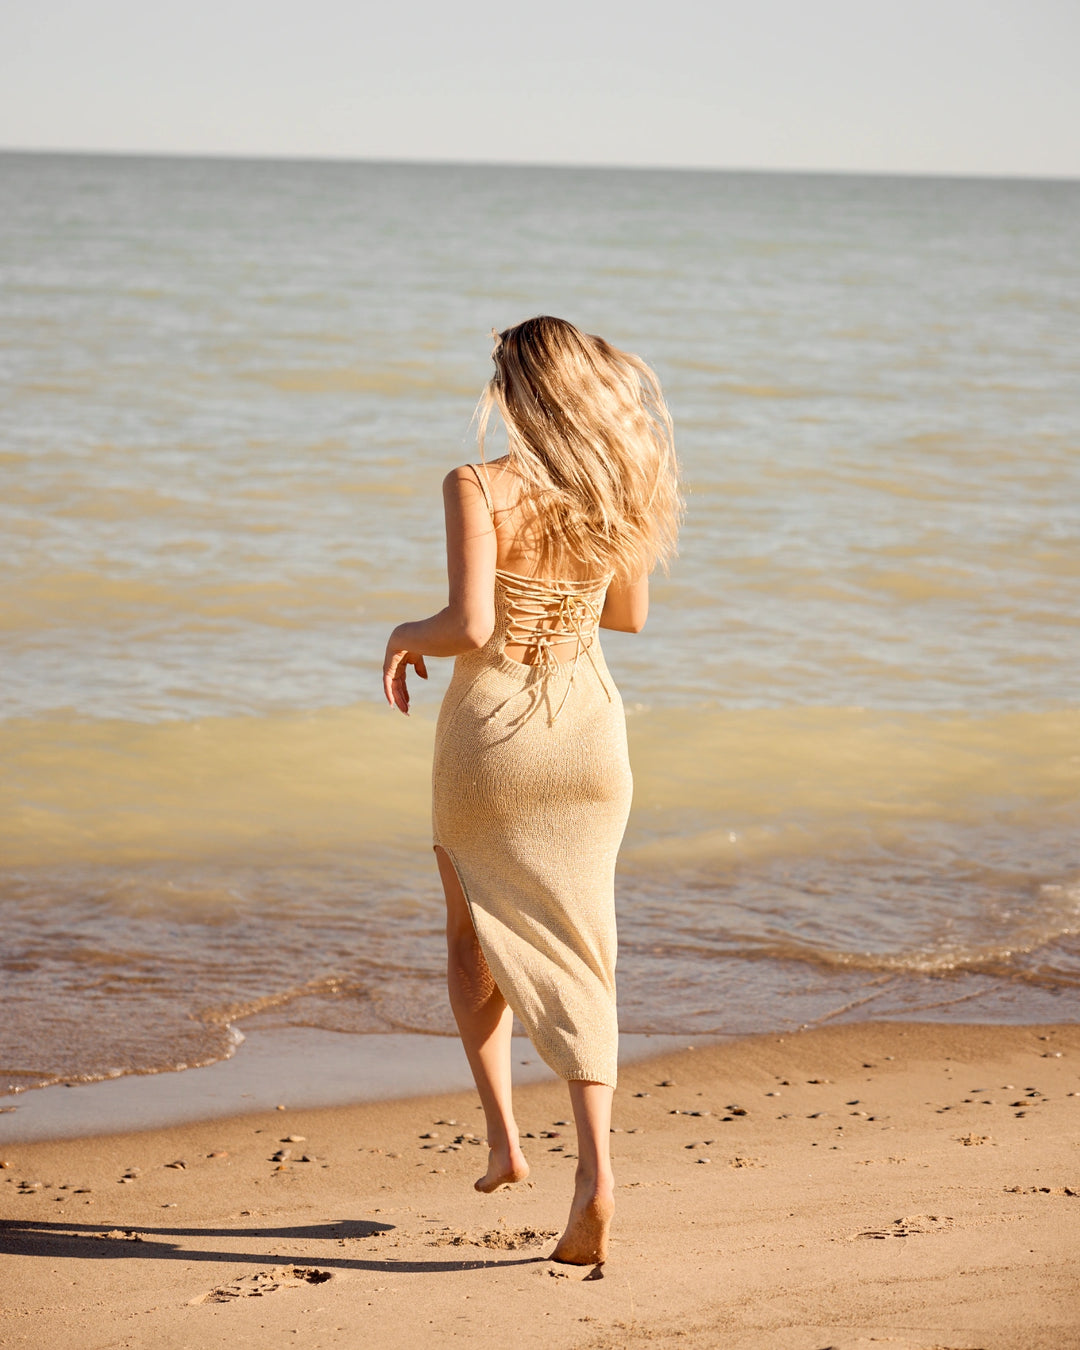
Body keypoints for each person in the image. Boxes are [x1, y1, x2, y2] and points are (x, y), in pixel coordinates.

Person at [382, 315, 680, 1265]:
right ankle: (594, 1174)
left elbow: (469, 628)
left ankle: (505, 1142)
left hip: (495, 742)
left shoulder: (475, 483)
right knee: (586, 948)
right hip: (592, 740)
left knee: (473, 930)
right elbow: (627, 616)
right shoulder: (617, 488)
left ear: (516, 392)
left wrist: (400, 633)